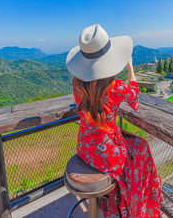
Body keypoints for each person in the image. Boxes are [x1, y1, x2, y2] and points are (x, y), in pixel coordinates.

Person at [66, 24, 162, 217]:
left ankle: (112, 198)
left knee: (132, 148)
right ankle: (135, 205)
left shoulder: (78, 85)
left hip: (85, 146)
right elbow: (134, 95)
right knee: (140, 148)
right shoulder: (115, 88)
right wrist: (130, 68)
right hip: (107, 151)